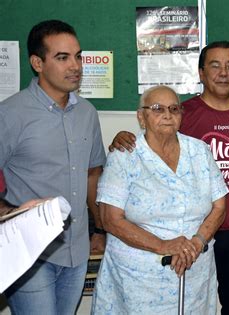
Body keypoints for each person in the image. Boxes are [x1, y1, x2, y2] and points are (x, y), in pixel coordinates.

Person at [110, 40, 229, 315]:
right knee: (193, 303)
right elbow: (152, 145)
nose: (223, 73)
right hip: (193, 231)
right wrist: (122, 138)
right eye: (215, 65)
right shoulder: (181, 113)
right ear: (200, 73)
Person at [91, 85, 228, 314]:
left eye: (174, 109)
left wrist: (197, 242)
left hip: (194, 275)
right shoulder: (124, 156)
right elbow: (110, 219)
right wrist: (163, 246)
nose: (167, 115)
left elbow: (220, 206)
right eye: (157, 109)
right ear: (141, 116)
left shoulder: (199, 151)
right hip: (138, 282)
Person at [0, 20, 106, 314]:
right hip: (30, 255)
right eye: (62, 57)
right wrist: (7, 213)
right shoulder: (10, 114)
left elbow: (91, 174)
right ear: (37, 63)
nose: (75, 66)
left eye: (78, 56)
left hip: (76, 250)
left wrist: (98, 229)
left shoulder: (87, 113)